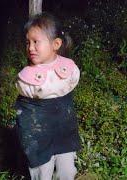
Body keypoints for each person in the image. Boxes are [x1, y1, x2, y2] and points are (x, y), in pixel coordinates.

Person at [15, 13, 81, 180]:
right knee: (42, 170)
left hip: (64, 129)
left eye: (36, 42)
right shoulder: (26, 79)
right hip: (38, 132)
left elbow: (69, 87)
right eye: (27, 42)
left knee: (67, 169)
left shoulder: (69, 70)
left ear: (56, 44)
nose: (30, 47)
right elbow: (27, 101)